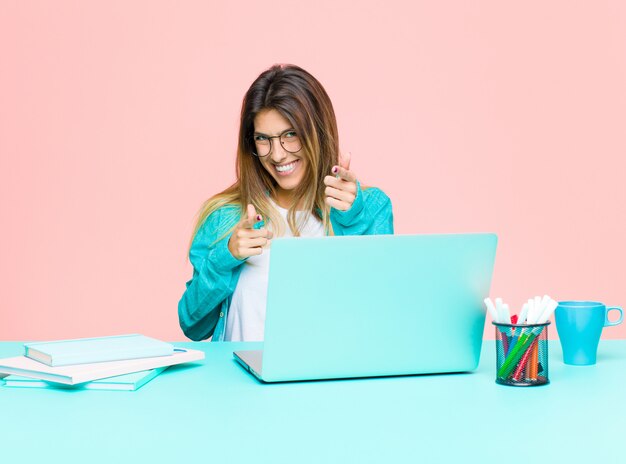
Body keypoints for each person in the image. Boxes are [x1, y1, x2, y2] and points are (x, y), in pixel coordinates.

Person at [178, 64, 394, 342]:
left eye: (290, 134)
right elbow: (192, 325)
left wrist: (353, 220)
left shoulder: (369, 208)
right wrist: (225, 257)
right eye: (263, 139)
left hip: (326, 383)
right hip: (238, 384)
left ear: (318, 131)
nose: (278, 155)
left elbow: (377, 315)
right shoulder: (226, 216)